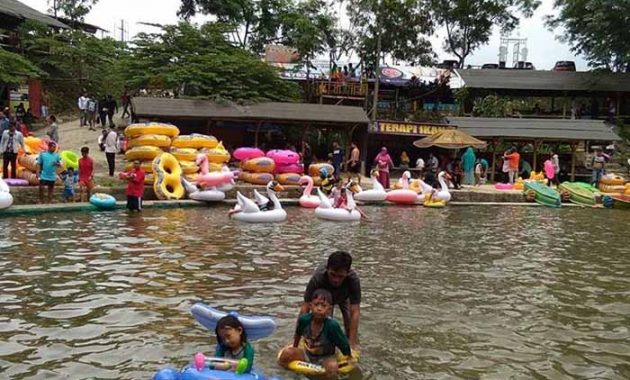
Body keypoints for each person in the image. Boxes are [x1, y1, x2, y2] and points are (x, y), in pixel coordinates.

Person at [280, 289, 352, 378]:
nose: (319, 308)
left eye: (323, 306)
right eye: (316, 304)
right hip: (307, 353)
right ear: (310, 306)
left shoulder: (332, 326)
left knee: (332, 368)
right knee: (286, 354)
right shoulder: (304, 320)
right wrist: (295, 347)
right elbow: (298, 333)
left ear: (329, 309)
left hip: (326, 357)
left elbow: (343, 343)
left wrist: (348, 357)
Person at [298, 251, 360, 349]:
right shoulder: (318, 278)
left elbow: (355, 311)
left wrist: (352, 343)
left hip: (343, 296)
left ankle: (348, 343)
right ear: (327, 269)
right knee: (324, 320)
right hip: (323, 297)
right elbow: (306, 307)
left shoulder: (353, 280)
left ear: (347, 273)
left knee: (348, 318)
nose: (336, 280)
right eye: (333, 275)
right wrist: (299, 337)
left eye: (340, 276)